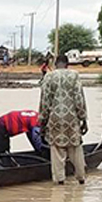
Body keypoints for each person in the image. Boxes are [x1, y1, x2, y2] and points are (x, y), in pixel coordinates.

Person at [39, 55, 88, 185]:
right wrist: (83, 118)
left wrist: (42, 121)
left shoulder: (49, 77)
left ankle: (60, 181)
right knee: (76, 148)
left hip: (55, 118)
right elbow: (79, 98)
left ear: (55, 64)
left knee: (57, 151)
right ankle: (81, 178)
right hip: (71, 118)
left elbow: (45, 101)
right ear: (67, 64)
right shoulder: (74, 75)